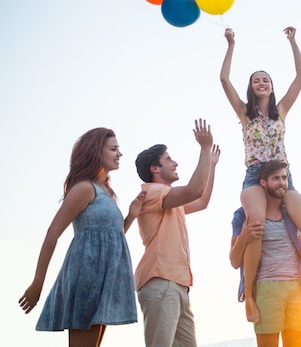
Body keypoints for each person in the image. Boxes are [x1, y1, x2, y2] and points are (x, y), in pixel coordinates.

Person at [220, 26, 301, 323]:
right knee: (256, 225)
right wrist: (231, 44)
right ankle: (249, 296)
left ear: (271, 86)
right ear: (251, 88)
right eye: (256, 80)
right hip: (255, 176)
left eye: (265, 79)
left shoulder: (281, 111)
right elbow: (224, 79)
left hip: (282, 176)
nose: (261, 83)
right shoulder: (244, 113)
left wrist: (293, 41)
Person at [18, 127, 145, 347]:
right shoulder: (84, 189)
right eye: (113, 149)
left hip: (103, 280)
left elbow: (112, 237)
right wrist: (37, 283)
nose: (119, 154)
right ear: (97, 152)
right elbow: (52, 233)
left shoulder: (106, 192)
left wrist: (131, 216)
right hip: (86, 278)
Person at [132, 118, 220, 347]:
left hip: (177, 284)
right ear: (155, 169)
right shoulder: (152, 192)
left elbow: (201, 201)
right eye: (169, 159)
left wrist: (210, 165)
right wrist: (204, 148)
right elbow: (194, 190)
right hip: (161, 280)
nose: (175, 163)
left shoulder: (170, 199)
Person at [229, 159, 301, 347]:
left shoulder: (293, 213)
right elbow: (234, 261)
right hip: (267, 288)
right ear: (263, 183)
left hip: (298, 287)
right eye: (276, 178)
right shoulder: (244, 214)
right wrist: (244, 237)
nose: (282, 183)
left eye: (284, 178)